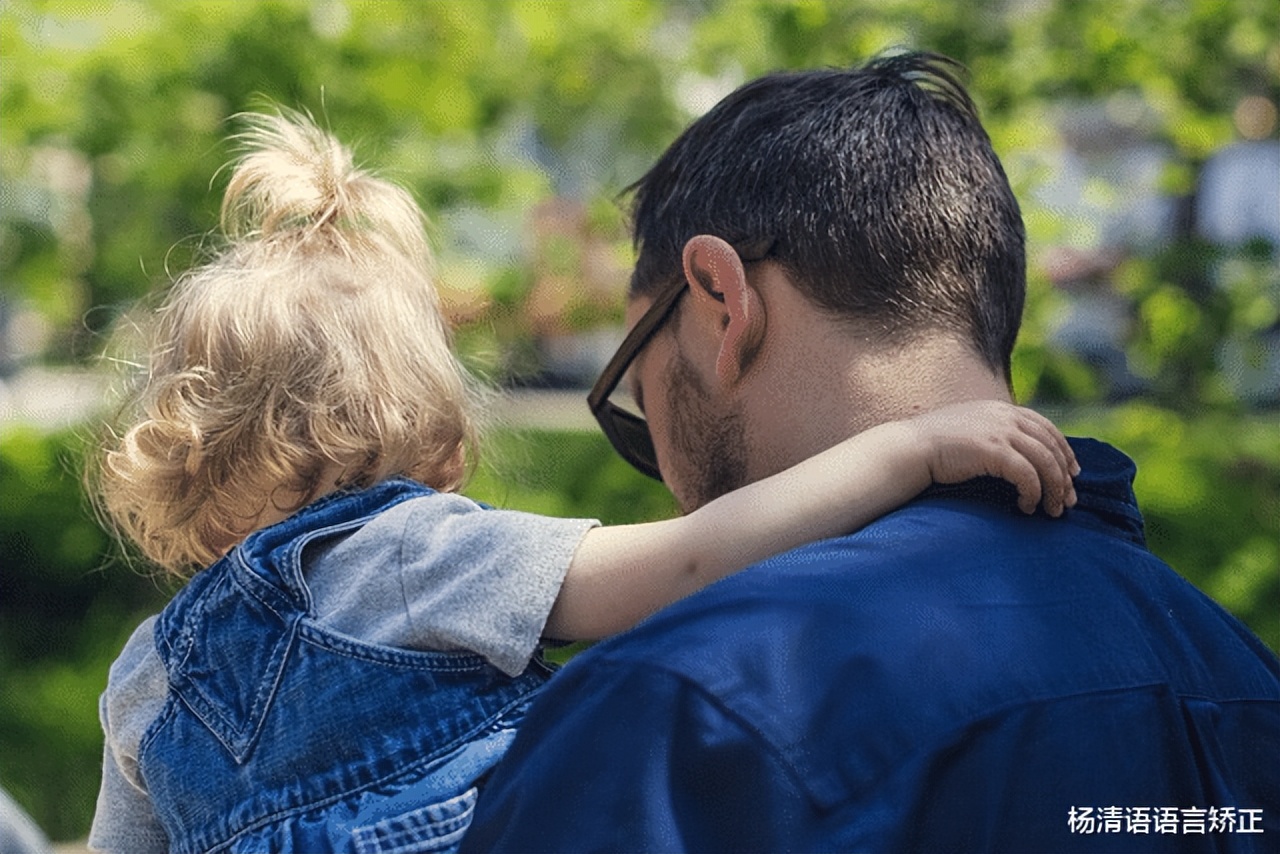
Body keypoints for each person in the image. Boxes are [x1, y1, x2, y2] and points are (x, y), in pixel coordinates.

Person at [85, 111, 1077, 853]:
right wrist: (908, 450)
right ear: (424, 422)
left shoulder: (147, 673)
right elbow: (689, 560)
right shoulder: (420, 556)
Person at [463, 52, 1280, 852]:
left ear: (720, 300)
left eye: (641, 405)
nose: (668, 480)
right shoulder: (1240, 676)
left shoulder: (688, 712)